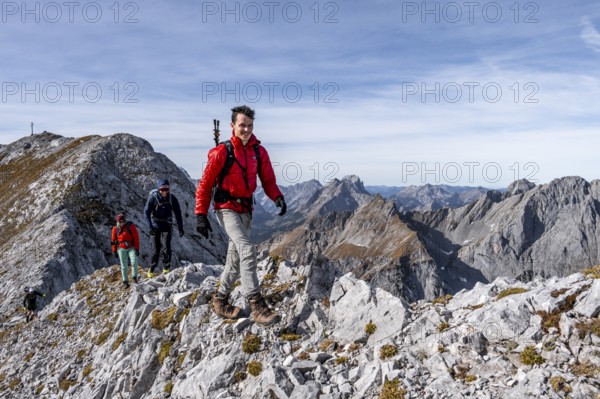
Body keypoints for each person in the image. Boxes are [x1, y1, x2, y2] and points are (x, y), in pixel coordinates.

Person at [195, 105, 287, 327]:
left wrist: (277, 197)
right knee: (247, 250)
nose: (246, 129)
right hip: (226, 208)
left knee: (235, 259)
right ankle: (257, 304)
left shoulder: (258, 152)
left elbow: (268, 180)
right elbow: (205, 185)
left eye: (249, 125)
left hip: (246, 211)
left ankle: (220, 299)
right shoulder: (221, 152)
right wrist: (200, 213)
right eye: (242, 125)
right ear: (232, 126)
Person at [144, 179, 184, 277]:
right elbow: (146, 212)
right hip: (155, 226)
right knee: (155, 249)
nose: (164, 192)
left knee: (166, 247)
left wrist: (180, 227)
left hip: (167, 225)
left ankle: (166, 268)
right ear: (158, 189)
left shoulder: (172, 198)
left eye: (166, 189)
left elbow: (178, 213)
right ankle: (152, 269)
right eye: (162, 190)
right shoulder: (153, 198)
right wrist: (150, 227)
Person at [111, 213, 140, 288]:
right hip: (121, 248)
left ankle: (134, 277)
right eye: (120, 221)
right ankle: (125, 281)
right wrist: (114, 250)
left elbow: (136, 237)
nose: (122, 223)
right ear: (117, 221)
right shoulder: (115, 229)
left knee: (134, 262)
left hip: (131, 247)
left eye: (123, 221)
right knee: (124, 266)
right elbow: (113, 240)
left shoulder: (130, 226)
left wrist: (136, 248)